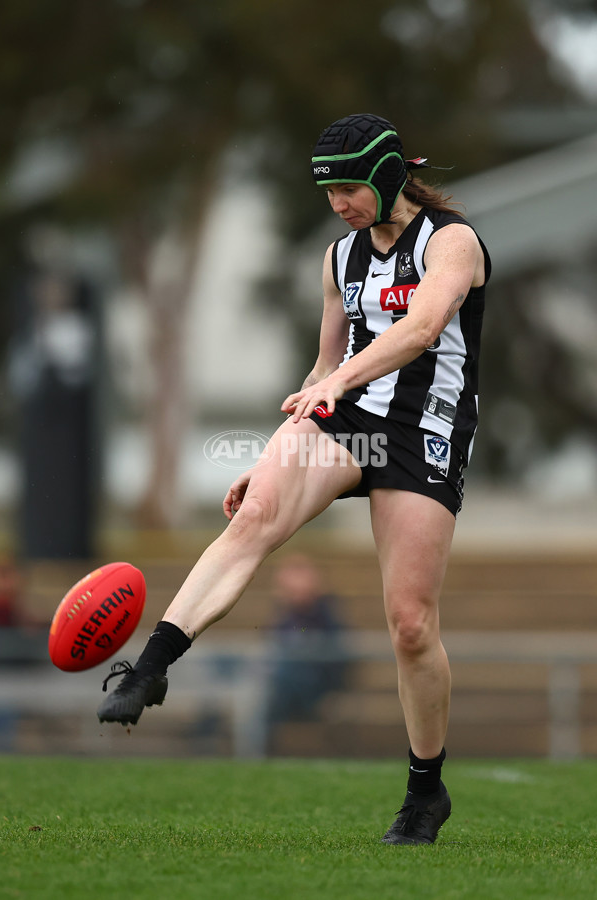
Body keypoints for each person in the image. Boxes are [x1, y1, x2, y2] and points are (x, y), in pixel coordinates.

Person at [98, 113, 491, 846]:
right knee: (253, 519)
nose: (339, 202)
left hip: (422, 434)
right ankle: (147, 669)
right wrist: (272, 454)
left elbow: (422, 330)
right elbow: (321, 368)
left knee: (411, 625)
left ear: (385, 175)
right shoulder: (339, 259)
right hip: (343, 419)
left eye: (350, 187)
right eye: (329, 190)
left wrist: (333, 385)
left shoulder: (451, 243)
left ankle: (425, 791)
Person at [264, 553, 348, 738]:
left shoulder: (325, 614)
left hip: (317, 686)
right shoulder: (284, 616)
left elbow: (338, 656)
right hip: (286, 688)